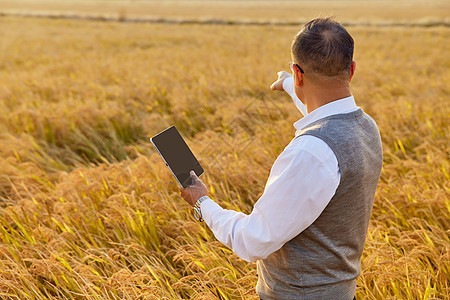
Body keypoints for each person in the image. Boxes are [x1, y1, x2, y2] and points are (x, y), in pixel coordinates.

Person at [180, 17, 383, 300]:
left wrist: (202, 203)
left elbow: (252, 241)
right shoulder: (365, 126)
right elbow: (325, 114)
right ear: (351, 70)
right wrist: (288, 85)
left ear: (299, 73)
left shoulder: (310, 152)